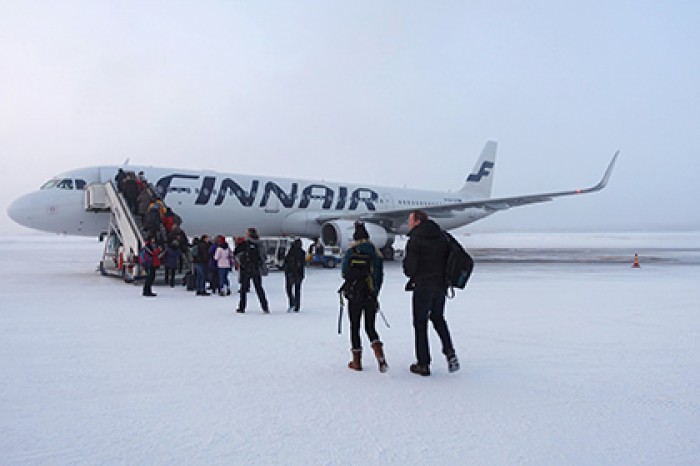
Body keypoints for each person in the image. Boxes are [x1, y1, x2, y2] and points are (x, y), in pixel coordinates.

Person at [403, 209, 460, 376]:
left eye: (410, 220)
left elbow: (410, 268)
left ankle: (423, 364)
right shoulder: (442, 236)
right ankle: (450, 352)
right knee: (438, 318)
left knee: (420, 324)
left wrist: (408, 268)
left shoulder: (416, 239)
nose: (408, 223)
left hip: (423, 286)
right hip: (440, 286)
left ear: (417, 221)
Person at [340, 223, 387, 372]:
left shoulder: (351, 252)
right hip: (370, 294)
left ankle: (357, 361)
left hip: (354, 295)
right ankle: (380, 356)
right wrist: (375, 293)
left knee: (355, 327)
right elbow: (379, 276)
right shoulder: (376, 253)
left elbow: (344, 272)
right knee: (370, 327)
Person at [234, 228, 269, 314]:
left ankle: (242, 307)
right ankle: (265, 307)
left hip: (245, 269)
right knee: (259, 288)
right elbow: (264, 256)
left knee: (243, 289)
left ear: (248, 235)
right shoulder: (260, 244)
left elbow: (235, 253)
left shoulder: (245, 244)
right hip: (256, 268)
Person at [283, 238, 306, 312]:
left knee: (289, 289)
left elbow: (286, 261)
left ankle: (292, 304)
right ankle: (296, 306)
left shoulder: (291, 252)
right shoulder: (302, 252)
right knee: (297, 290)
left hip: (291, 273)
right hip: (299, 273)